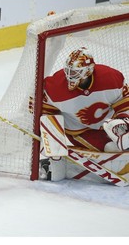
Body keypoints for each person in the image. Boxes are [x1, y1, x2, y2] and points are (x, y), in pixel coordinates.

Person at [40, 46, 129, 180]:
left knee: (124, 144)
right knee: (113, 149)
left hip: (109, 125)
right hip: (79, 131)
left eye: (75, 72)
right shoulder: (55, 86)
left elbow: (124, 103)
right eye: (68, 71)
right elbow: (46, 112)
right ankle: (60, 166)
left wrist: (123, 122)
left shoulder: (111, 78)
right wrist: (53, 142)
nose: (70, 76)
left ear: (88, 71)